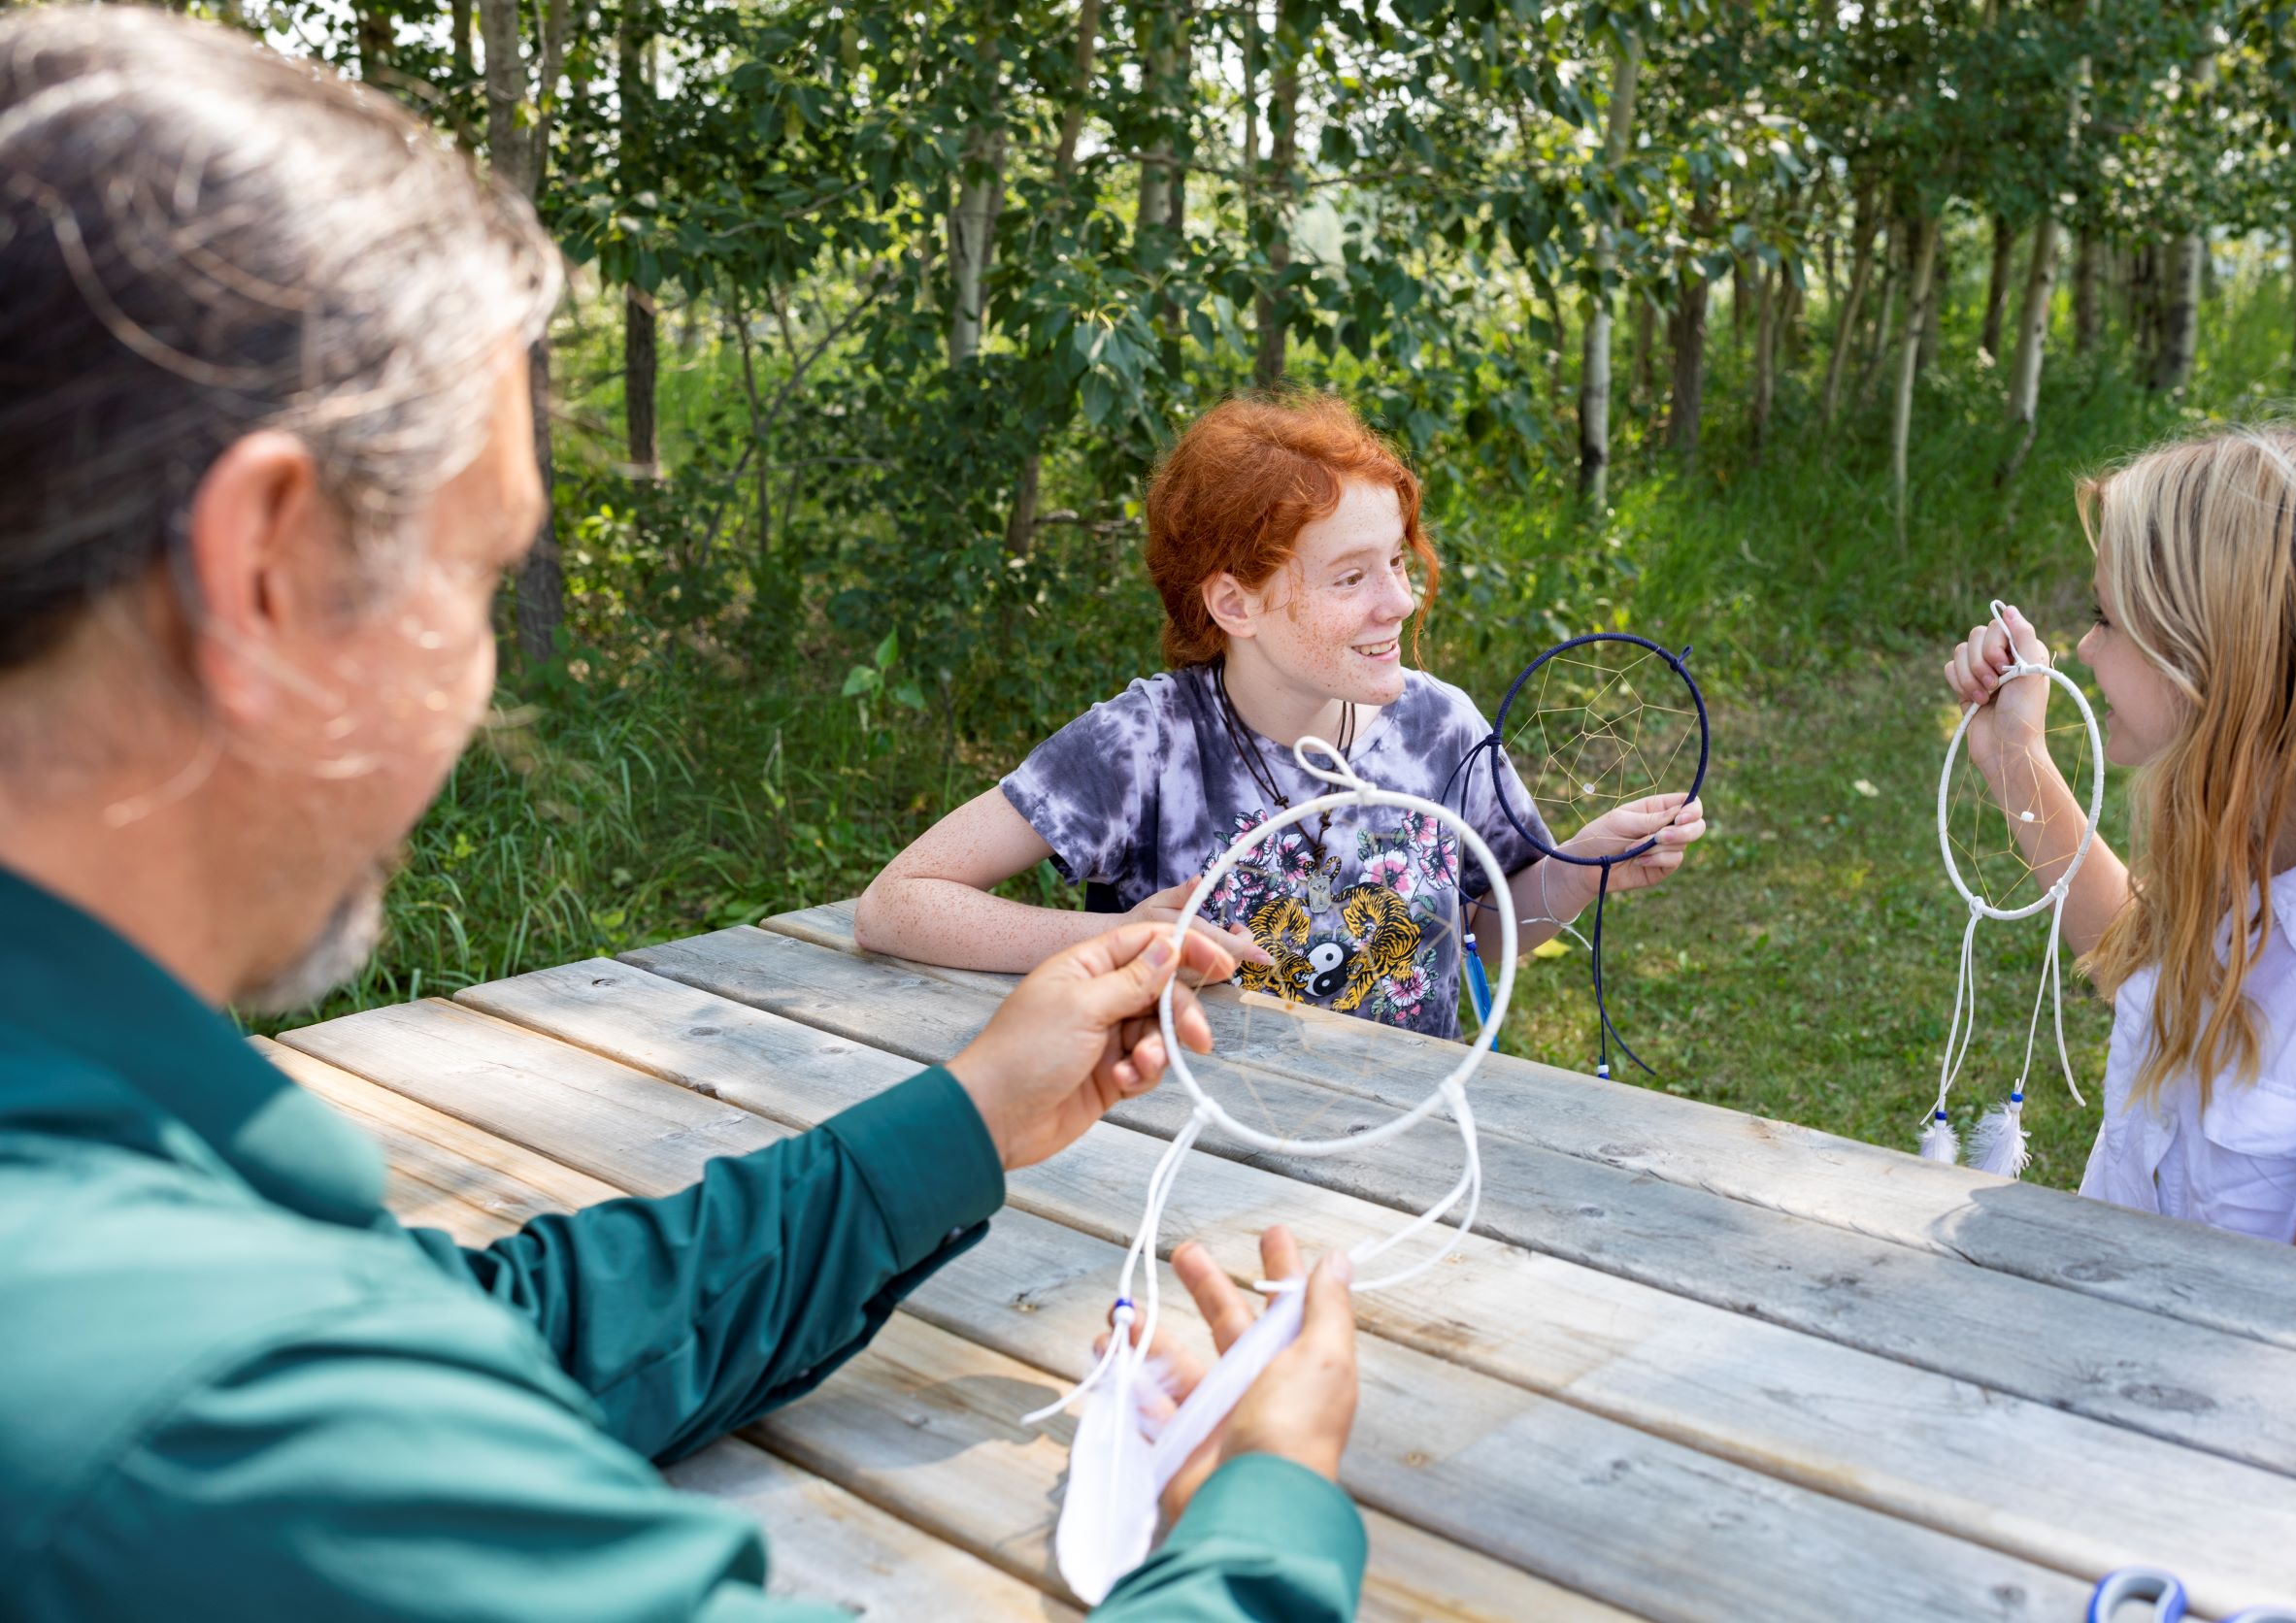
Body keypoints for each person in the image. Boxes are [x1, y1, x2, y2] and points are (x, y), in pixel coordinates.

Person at [0, 9, 1363, 1618]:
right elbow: (334, 1413)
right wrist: (1266, 1517)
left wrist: (963, 1121)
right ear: (264, 572)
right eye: (476, 573)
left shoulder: (110, 1213)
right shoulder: (209, 1418)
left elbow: (485, 1334)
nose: (482, 684)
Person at [856, 394, 1707, 1040]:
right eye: (1350, 579)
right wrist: (1112, 935)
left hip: (1409, 1142)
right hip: (1195, 1147)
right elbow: (896, 905)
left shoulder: (1439, 726)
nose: (1398, 603)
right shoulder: (1145, 745)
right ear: (1235, 602)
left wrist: (1582, 865)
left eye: (1397, 564)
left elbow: (1485, 930)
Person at [1942, 413, 2296, 1274]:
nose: (2085, 650)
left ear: (2229, 657)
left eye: (2108, 618)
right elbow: (2135, 955)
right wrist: (2014, 758)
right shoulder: (2253, 833)